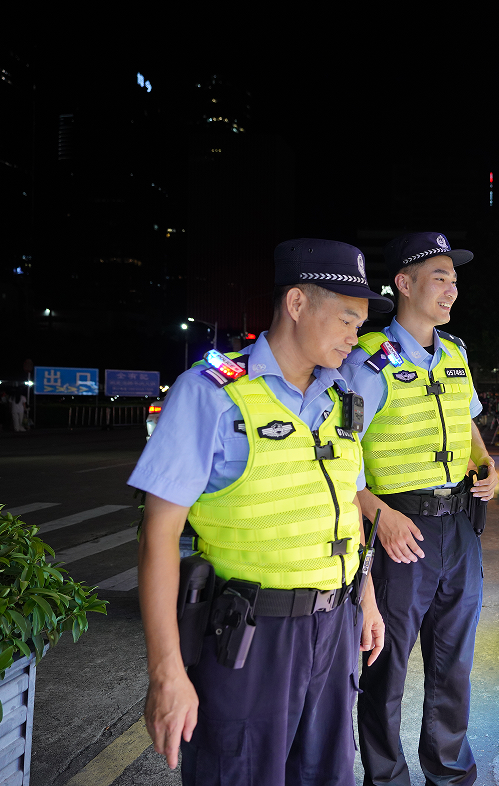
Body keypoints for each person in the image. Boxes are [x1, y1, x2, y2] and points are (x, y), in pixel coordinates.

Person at [130, 239, 390, 785]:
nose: (355, 337)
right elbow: (158, 538)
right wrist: (166, 674)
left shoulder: (340, 399)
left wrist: (364, 598)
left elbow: (346, 507)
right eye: (347, 319)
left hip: (335, 628)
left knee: (328, 774)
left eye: (361, 324)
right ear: (297, 304)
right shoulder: (211, 395)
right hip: (249, 638)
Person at [342, 232, 499, 786]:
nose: (452, 289)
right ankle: (385, 778)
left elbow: (470, 427)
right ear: (403, 284)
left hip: (459, 530)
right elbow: (341, 451)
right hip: (400, 533)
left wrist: (487, 466)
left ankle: (449, 772)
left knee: (455, 663)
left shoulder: (455, 353)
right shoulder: (368, 360)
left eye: (455, 279)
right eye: (440, 277)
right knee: (385, 668)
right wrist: (376, 513)